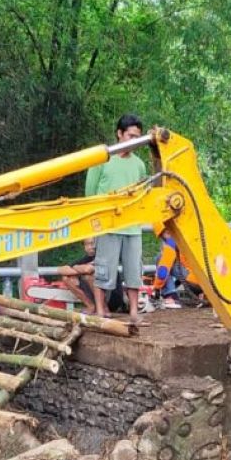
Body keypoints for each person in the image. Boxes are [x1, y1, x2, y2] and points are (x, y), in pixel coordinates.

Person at [85, 113, 150, 324]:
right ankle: (101, 309)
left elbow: (143, 194)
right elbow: (90, 198)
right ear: (119, 134)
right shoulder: (101, 161)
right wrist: (89, 234)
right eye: (131, 136)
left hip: (132, 226)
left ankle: (133, 311)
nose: (134, 141)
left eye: (137, 137)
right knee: (104, 269)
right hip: (107, 224)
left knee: (133, 270)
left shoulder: (139, 165)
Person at [57, 239, 98, 312]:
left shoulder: (103, 256)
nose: (89, 247)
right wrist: (77, 269)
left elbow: (88, 269)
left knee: (89, 276)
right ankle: (90, 306)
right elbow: (61, 270)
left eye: (92, 244)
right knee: (67, 278)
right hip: (93, 295)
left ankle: (101, 308)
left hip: (111, 298)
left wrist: (76, 267)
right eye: (86, 244)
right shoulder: (86, 258)